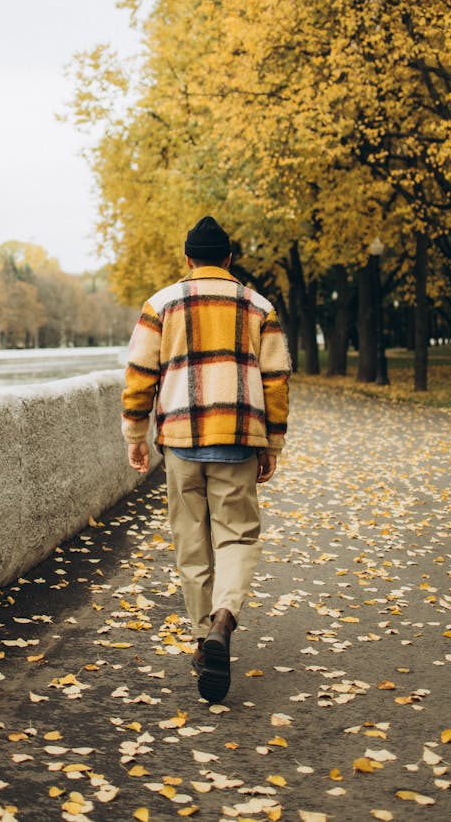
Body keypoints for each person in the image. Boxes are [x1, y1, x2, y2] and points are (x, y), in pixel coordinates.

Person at [122, 215, 290, 702]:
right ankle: (224, 620)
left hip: (180, 439)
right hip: (238, 436)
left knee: (191, 542)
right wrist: (271, 442)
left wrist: (136, 433)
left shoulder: (161, 304)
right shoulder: (259, 307)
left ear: (188, 259)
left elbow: (139, 375)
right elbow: (276, 381)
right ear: (230, 259)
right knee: (237, 536)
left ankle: (202, 640)